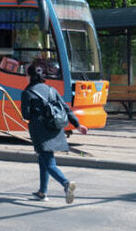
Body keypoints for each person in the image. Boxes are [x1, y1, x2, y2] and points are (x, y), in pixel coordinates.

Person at [21, 62, 88, 203]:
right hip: (55, 129)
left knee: (49, 163)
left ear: (30, 76)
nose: (25, 77)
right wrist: (78, 125)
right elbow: (66, 109)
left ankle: (66, 184)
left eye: (26, 75)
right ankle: (42, 192)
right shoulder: (52, 90)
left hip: (40, 133)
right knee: (43, 160)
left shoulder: (27, 92)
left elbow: (26, 115)